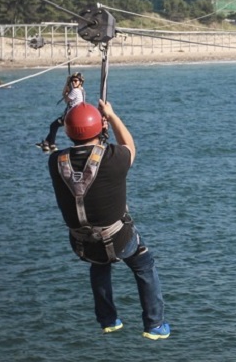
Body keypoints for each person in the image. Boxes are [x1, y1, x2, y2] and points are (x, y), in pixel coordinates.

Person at [47, 100, 170, 340]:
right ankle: (154, 324)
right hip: (118, 238)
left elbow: (81, 152)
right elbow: (129, 145)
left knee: (99, 262)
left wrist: (98, 127)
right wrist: (111, 116)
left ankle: (108, 319)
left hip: (82, 244)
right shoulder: (113, 157)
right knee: (143, 261)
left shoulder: (56, 162)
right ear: (98, 128)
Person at [38, 72, 86, 151]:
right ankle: (46, 142)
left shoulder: (76, 91)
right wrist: (69, 88)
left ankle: (52, 144)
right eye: (72, 81)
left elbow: (66, 99)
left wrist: (66, 84)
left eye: (75, 81)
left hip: (71, 115)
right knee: (55, 125)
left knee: (53, 125)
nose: (73, 82)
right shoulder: (82, 91)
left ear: (80, 82)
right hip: (77, 115)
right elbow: (69, 100)